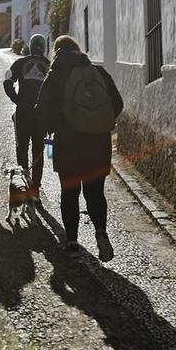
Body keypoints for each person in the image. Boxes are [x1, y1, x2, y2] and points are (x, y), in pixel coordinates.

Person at [34, 34, 124, 260]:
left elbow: (42, 109)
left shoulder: (55, 76)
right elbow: (118, 103)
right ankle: (101, 232)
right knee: (95, 192)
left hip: (68, 142)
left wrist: (53, 126)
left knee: (70, 192)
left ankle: (72, 243)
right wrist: (97, 122)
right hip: (98, 142)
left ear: (57, 52)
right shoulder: (97, 72)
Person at [2, 33, 51, 196]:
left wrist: (17, 100)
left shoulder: (20, 63)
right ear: (44, 47)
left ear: (30, 46)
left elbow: (7, 81)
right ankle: (36, 188)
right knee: (38, 150)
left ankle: (24, 181)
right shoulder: (49, 65)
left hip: (23, 112)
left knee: (21, 147)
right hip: (42, 114)